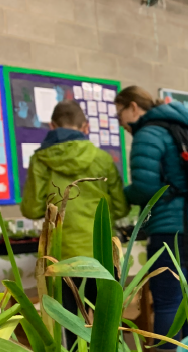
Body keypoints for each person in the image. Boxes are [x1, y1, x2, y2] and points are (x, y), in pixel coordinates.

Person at [115, 86, 188, 352]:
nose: (120, 121)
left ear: (133, 107)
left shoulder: (149, 132)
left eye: (119, 112)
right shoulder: (184, 129)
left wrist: (122, 193)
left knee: (168, 299)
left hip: (172, 227)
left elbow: (146, 187)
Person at [21, 100, 129, 322]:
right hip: (102, 255)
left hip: (62, 257)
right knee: (107, 324)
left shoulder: (41, 159)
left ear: (52, 125)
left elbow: (31, 208)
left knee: (69, 324)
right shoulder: (103, 159)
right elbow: (120, 207)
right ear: (85, 127)